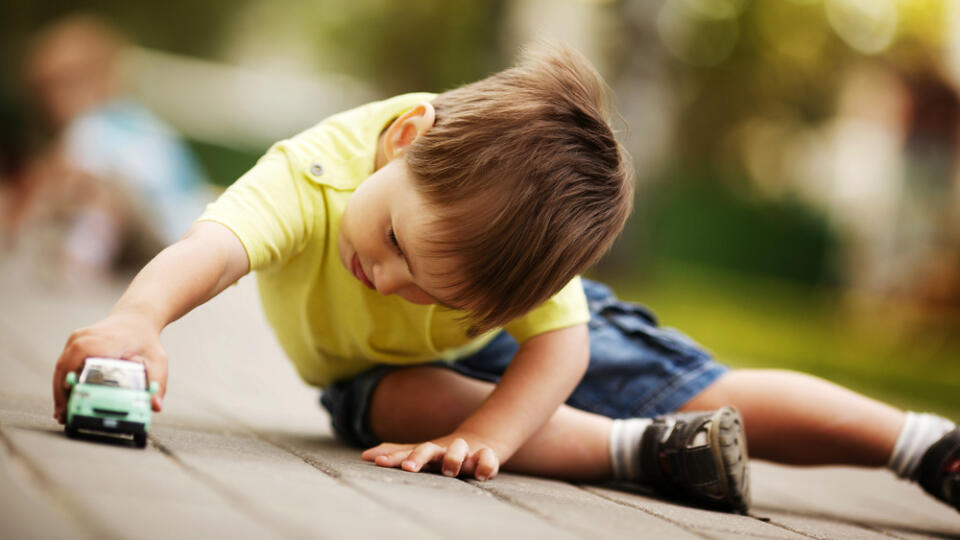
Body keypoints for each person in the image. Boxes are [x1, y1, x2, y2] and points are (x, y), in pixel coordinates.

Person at [52, 43, 959, 514]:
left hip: (529, 350)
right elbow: (215, 246)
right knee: (400, 401)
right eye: (399, 246)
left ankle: (921, 446)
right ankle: (647, 453)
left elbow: (560, 345)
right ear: (404, 146)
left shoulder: (507, 253)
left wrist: (494, 430)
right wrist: (140, 319)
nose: (393, 285)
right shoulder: (320, 170)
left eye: (432, 290)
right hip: (382, 378)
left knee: (704, 387)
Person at [10, 15, 207, 279]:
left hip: (162, 230)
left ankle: (82, 259)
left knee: (97, 190)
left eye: (61, 87)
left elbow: (73, 179)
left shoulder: (89, 127)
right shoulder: (136, 120)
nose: (51, 102)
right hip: (191, 232)